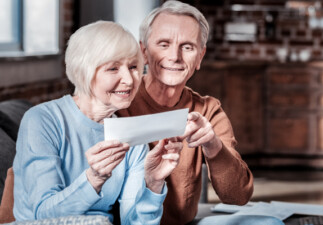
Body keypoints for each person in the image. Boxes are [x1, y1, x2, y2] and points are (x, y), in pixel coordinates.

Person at [12, 21, 182, 225]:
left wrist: (153, 184)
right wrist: (94, 179)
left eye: (133, 67)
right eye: (113, 68)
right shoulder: (42, 120)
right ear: (84, 71)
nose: (129, 79)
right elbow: (44, 214)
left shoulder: (132, 140)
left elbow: (134, 223)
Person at [117, 1, 254, 224]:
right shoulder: (118, 101)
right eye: (164, 44)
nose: (175, 56)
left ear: (200, 57)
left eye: (187, 47)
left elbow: (238, 196)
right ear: (143, 51)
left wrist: (213, 145)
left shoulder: (208, 110)